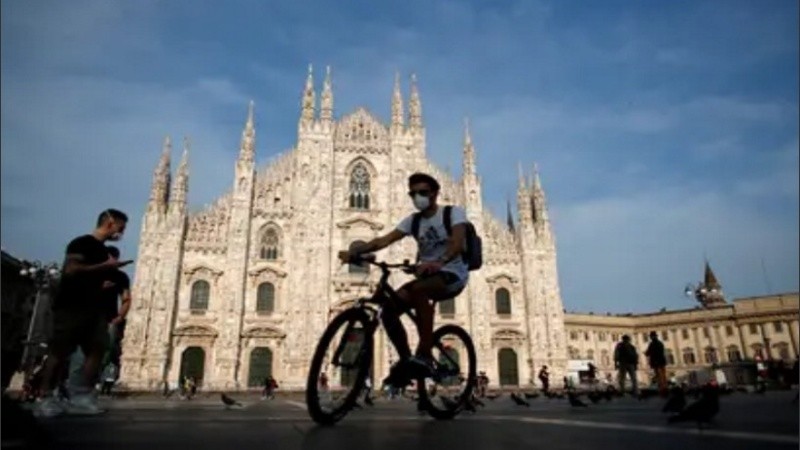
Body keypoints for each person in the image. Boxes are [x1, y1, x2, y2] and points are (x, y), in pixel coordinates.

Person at [338, 173, 469, 382]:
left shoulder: (453, 213)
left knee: (418, 289)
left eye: (423, 192)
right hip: (427, 276)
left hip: (452, 273)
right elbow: (383, 240)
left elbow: (458, 242)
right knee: (388, 310)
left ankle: (425, 354)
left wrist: (440, 261)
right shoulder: (413, 221)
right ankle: (407, 360)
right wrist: (356, 252)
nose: (418, 197)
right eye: (413, 193)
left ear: (435, 193)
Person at [34, 209, 130, 417]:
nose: (122, 233)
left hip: (95, 309)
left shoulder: (103, 249)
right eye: (120, 228)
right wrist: (104, 266)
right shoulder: (81, 243)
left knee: (96, 350)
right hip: (72, 305)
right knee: (59, 352)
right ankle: (46, 397)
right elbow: (70, 269)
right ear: (110, 223)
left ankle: (81, 396)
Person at [644, 331, 668, 396]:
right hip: (662, 361)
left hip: (656, 362)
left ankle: (662, 390)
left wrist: (646, 353)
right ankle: (665, 388)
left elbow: (647, 353)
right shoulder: (660, 343)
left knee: (659, 376)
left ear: (652, 337)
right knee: (663, 376)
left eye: (651, 336)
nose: (651, 337)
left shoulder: (652, 344)